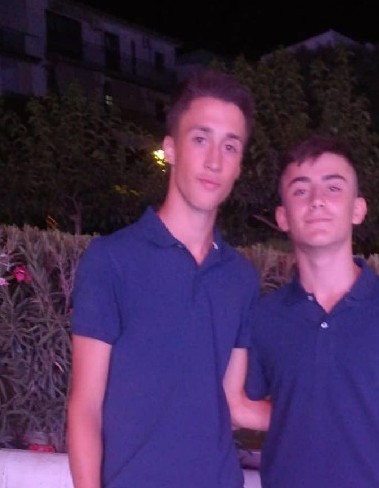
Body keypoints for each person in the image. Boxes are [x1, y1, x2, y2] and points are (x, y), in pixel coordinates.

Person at [67, 68, 270, 488]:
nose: (214, 160)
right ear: (170, 148)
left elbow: (234, 403)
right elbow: (85, 406)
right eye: (200, 139)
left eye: (230, 146)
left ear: (239, 166)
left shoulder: (240, 279)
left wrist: (332, 412)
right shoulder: (112, 261)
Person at [245, 134, 379, 488]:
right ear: (283, 217)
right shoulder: (264, 318)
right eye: (301, 190)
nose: (317, 200)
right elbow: (245, 407)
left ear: (358, 209)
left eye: (333, 188)